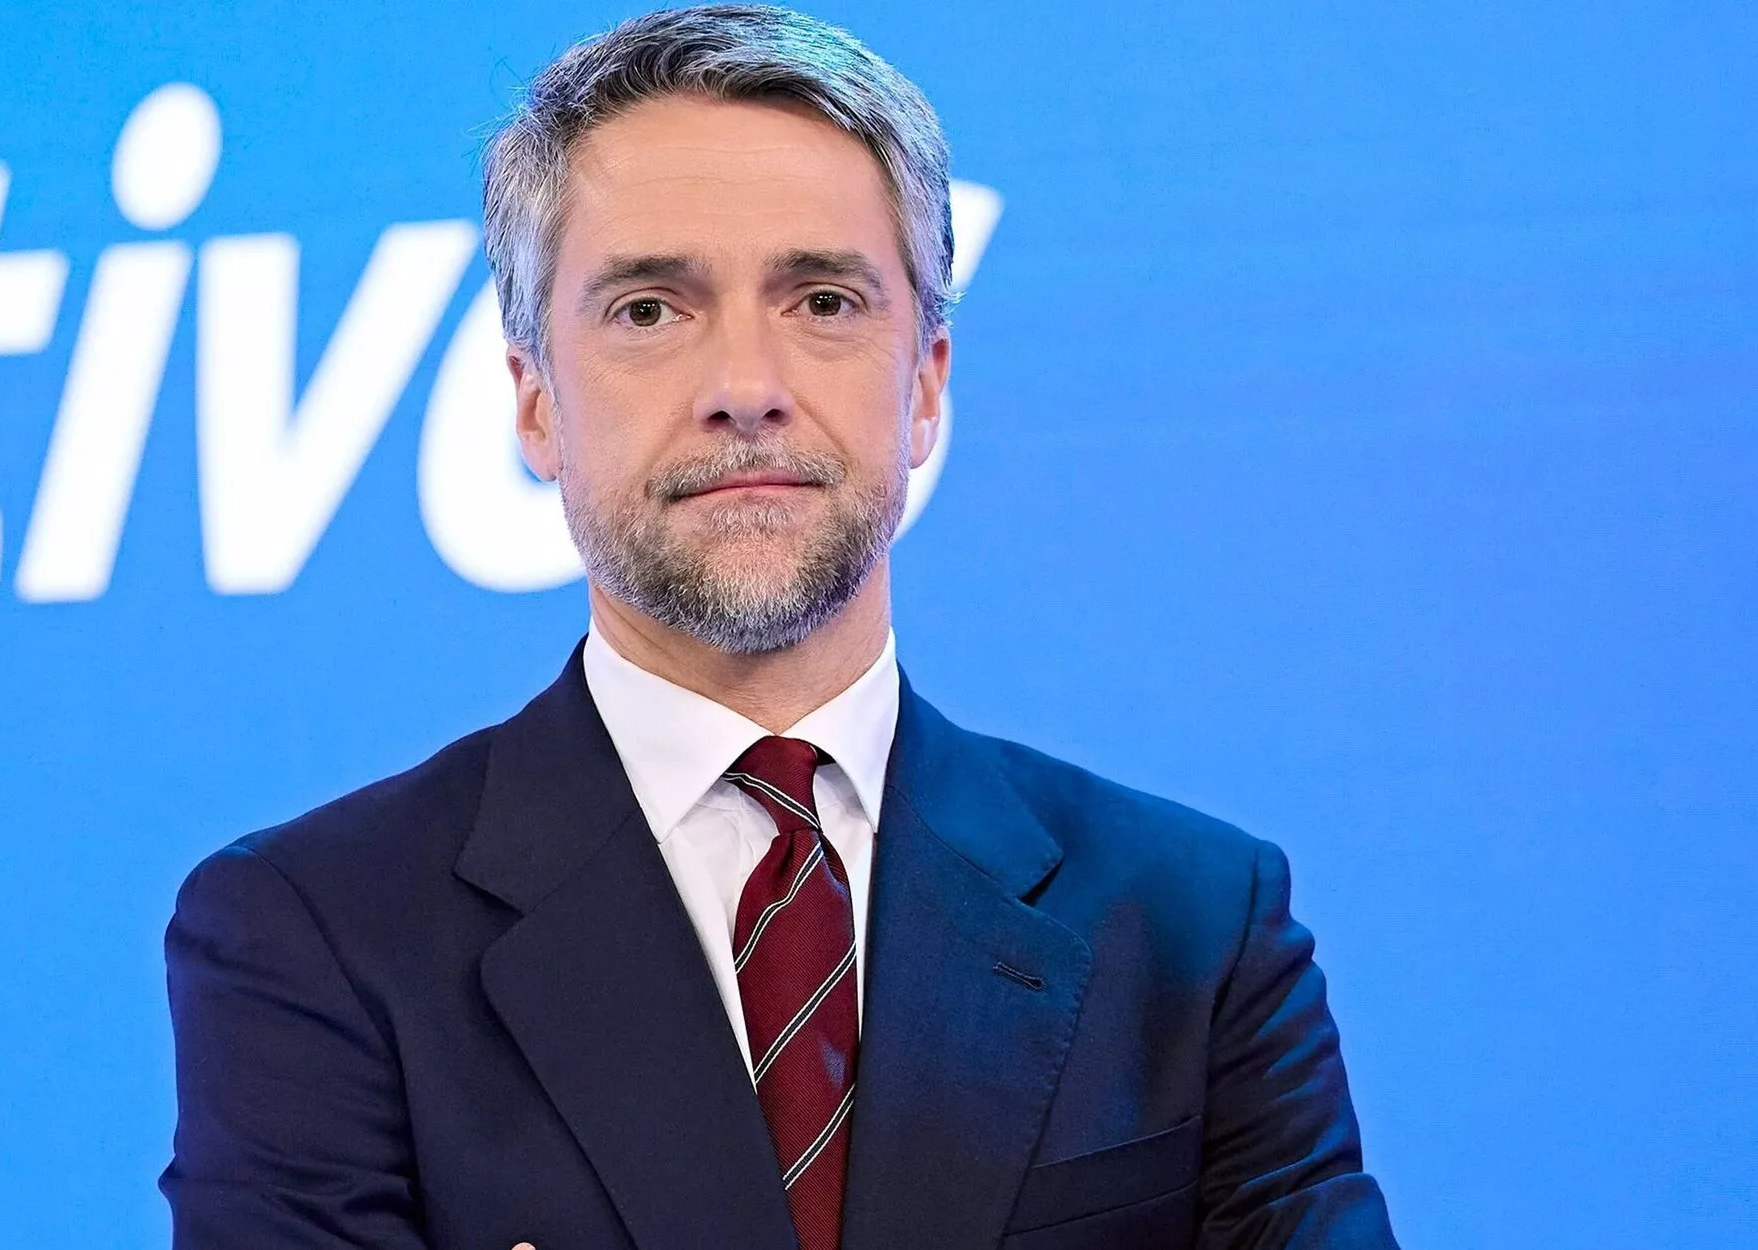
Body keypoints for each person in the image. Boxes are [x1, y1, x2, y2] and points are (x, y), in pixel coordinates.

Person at [159, 5, 1401, 1247]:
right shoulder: (315, 933)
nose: (744, 388)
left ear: (924, 385)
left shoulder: (1192, 923)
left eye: (821, 300)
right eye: (649, 309)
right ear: (534, 404)